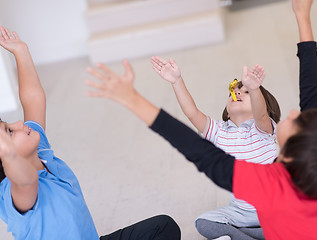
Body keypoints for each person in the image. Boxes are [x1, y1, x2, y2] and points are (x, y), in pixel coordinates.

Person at [85, 0, 317, 239]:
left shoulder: (271, 185)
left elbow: (200, 152)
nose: (293, 112)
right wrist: (302, 13)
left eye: (296, 122)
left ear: (289, 157)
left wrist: (132, 99)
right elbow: (313, 90)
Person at [0, 27, 181, 240]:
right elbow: (26, 181)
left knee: (164, 227)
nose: (19, 122)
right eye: (9, 131)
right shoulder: (13, 192)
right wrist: (6, 148)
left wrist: (21, 51)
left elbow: (33, 98)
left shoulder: (40, 151)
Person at [150, 54, 280, 239]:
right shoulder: (219, 131)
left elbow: (260, 115)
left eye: (246, 92)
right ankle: (259, 235)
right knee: (204, 222)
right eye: (233, 92)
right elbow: (192, 112)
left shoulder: (263, 129)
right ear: (227, 110)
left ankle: (255, 234)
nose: (237, 93)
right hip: (240, 213)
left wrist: (255, 88)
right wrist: (176, 81)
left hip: (274, 208)